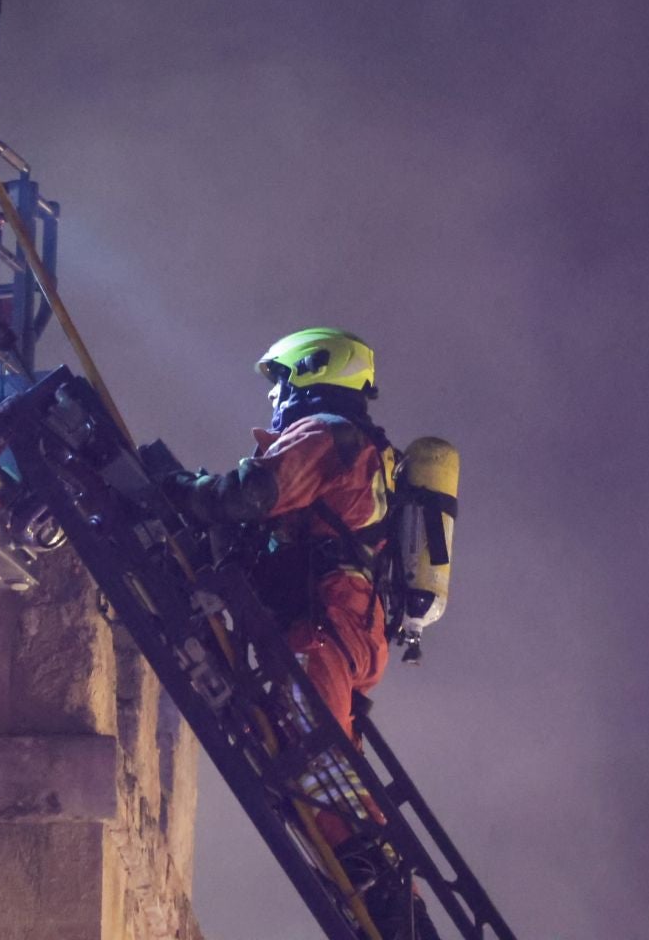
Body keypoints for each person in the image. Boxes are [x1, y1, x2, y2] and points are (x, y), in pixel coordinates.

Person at [167, 327, 429, 932]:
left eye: (282, 380)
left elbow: (252, 493)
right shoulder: (362, 447)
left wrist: (183, 492)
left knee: (311, 744)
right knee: (328, 748)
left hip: (325, 622)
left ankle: (372, 873)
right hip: (350, 624)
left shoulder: (323, 434)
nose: (277, 397)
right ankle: (391, 891)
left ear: (312, 370)